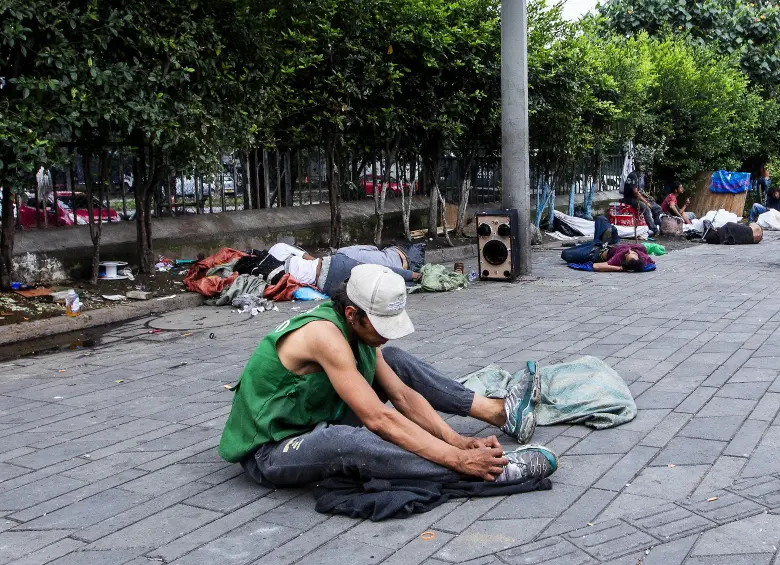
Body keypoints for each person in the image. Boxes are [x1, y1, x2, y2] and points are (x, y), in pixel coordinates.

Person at [219, 264, 558, 489]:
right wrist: (459, 457)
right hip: (271, 450)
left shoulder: (354, 329)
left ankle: (499, 413)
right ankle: (488, 472)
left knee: (391, 360)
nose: (386, 335)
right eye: (380, 327)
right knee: (343, 441)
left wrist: (454, 439)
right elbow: (379, 419)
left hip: (316, 418)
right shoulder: (324, 336)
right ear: (352, 314)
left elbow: (403, 396)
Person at [267, 242, 424, 296]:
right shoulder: (278, 249)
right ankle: (412, 276)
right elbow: (311, 259)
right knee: (375, 271)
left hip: (326, 286)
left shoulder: (269, 277)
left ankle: (409, 281)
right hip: (331, 267)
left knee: (370, 282)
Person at [622, 170, 661, 236]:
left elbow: (641, 191)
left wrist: (648, 197)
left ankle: (657, 226)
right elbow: (635, 192)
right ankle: (654, 229)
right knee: (646, 209)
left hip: (638, 197)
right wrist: (646, 202)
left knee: (657, 208)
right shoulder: (633, 176)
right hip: (630, 199)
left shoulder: (641, 176)